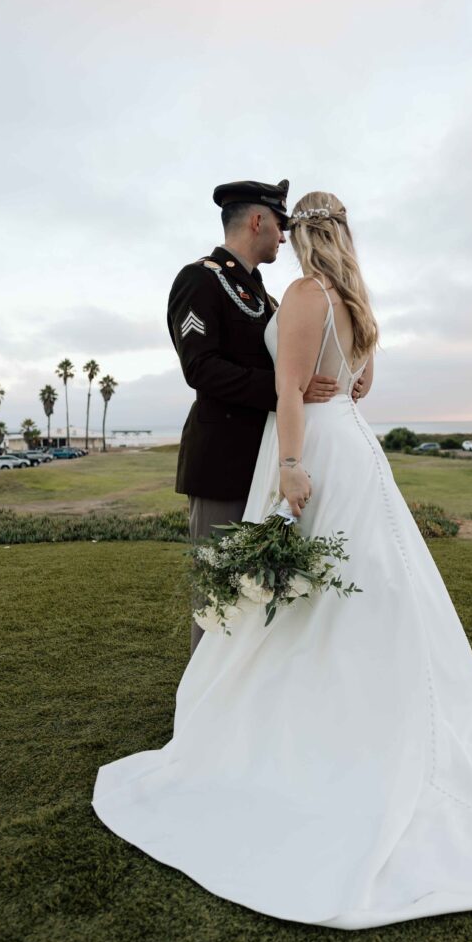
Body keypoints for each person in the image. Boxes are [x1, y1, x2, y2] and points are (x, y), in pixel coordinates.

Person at [94, 191, 472, 930]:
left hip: (313, 452)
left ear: (299, 233)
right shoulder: (347, 299)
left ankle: (285, 723)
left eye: (288, 225)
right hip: (351, 445)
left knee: (304, 589)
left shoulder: (306, 292)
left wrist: (290, 461)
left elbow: (287, 386)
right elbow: (356, 382)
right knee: (348, 589)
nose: (277, 232)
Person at [167, 178, 363, 653]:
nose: (283, 236)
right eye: (278, 224)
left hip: (269, 460)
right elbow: (201, 367)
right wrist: (285, 391)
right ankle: (205, 705)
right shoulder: (200, 279)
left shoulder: (268, 297)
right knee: (220, 591)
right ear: (257, 220)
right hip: (224, 463)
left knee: (263, 593)